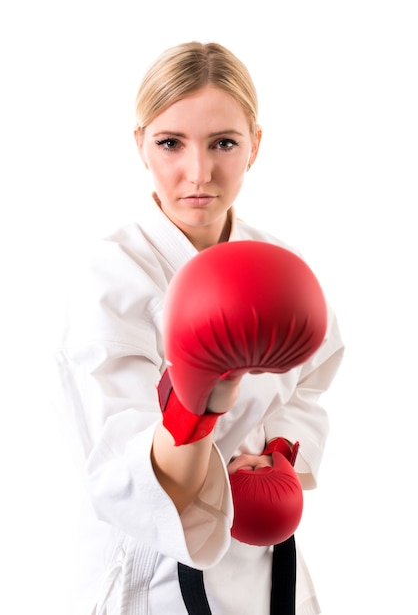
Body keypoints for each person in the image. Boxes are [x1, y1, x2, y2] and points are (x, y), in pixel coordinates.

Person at [55, 41, 344, 615]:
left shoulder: (276, 263)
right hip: (154, 578)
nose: (199, 172)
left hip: (269, 572)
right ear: (139, 144)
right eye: (170, 143)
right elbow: (134, 483)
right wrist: (199, 401)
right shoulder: (111, 282)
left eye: (224, 144)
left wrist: (279, 456)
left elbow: (309, 382)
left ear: (255, 146)